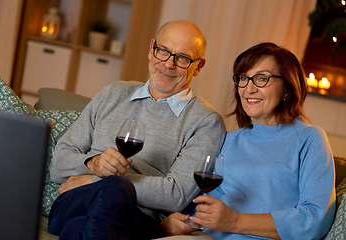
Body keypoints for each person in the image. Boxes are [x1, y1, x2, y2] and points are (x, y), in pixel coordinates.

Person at [47, 20, 226, 240]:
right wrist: (92, 164)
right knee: (104, 197)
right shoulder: (113, 93)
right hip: (74, 202)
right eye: (163, 51)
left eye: (183, 58)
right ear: (151, 50)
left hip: (137, 217)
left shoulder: (205, 121)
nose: (169, 64)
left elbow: (175, 195)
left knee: (79, 227)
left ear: (198, 66)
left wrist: (95, 179)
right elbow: (58, 166)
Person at [160, 42, 336, 240]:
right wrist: (181, 221)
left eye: (262, 79)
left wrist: (235, 222)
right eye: (243, 78)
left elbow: (315, 220)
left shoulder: (310, 140)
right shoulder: (227, 139)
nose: (249, 88)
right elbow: (205, 204)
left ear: (287, 87)